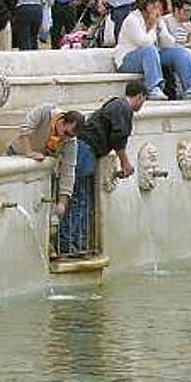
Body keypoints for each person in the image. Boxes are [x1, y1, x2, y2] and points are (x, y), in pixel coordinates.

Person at [58, 81, 145, 256]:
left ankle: (75, 243)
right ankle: (69, 244)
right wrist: (125, 162)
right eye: (144, 100)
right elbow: (118, 137)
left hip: (86, 149)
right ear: (140, 96)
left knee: (81, 197)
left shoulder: (116, 104)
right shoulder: (123, 108)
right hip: (85, 149)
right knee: (79, 197)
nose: (142, 104)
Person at [113, 0, 191, 101]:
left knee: (181, 52)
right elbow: (144, 43)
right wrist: (152, 27)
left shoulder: (157, 19)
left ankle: (189, 88)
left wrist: (160, 27)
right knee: (149, 50)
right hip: (127, 60)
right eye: (153, 4)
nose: (157, 7)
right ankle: (153, 88)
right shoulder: (132, 20)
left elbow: (169, 43)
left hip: (152, 55)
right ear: (145, 6)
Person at [7, 105, 84, 219]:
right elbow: (25, 128)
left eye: (71, 136)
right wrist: (29, 152)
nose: (67, 138)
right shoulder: (45, 112)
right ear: (62, 122)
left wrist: (62, 202)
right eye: (67, 133)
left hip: (38, 171)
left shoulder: (70, 142)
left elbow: (69, 170)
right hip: (15, 155)